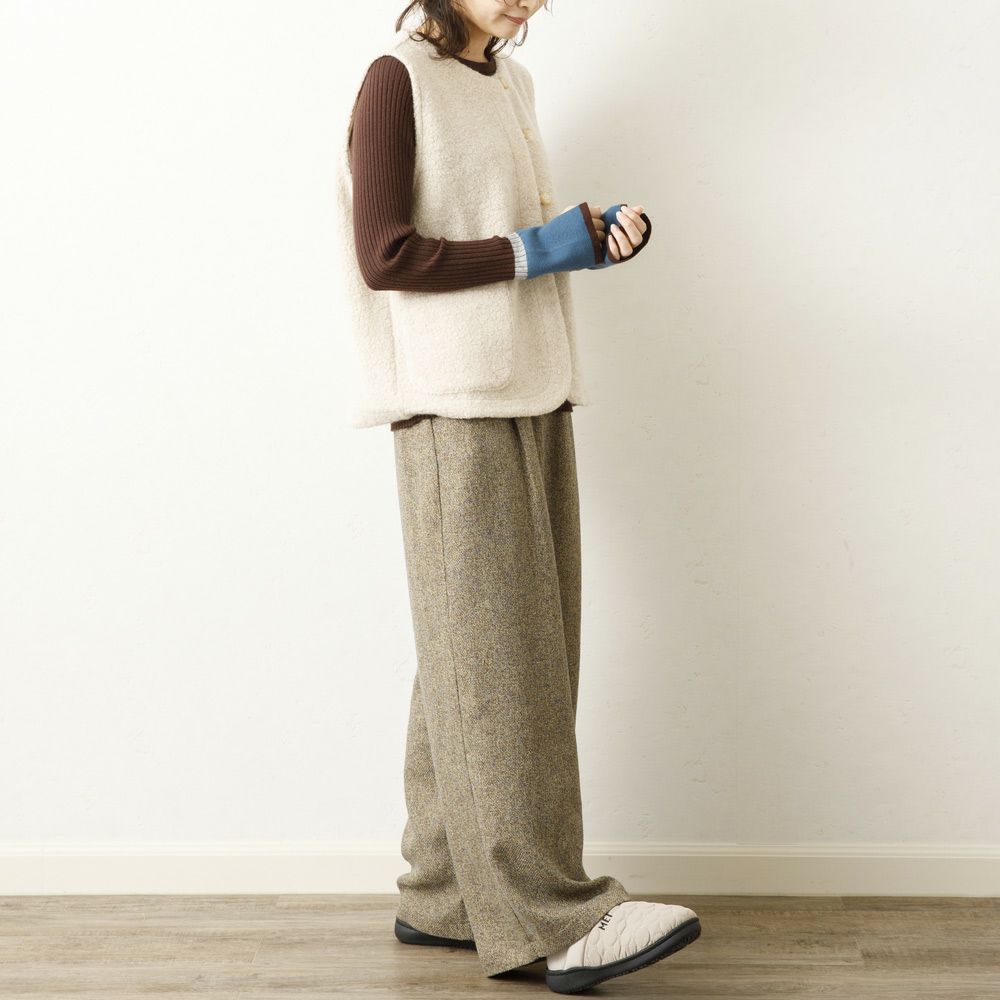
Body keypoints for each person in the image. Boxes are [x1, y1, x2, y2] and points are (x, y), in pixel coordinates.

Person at [333, 0, 701, 991]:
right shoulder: (395, 79)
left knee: (485, 652)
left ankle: (444, 892)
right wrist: (542, 248)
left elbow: (498, 231)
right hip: (452, 404)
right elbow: (384, 253)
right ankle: (552, 917)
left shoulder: (512, 83)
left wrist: (586, 238)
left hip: (532, 385)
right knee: (499, 665)